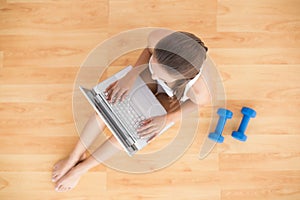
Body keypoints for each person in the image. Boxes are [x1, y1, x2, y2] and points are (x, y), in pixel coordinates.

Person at [51, 30, 211, 192]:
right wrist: (131, 75)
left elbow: (199, 104)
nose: (155, 76)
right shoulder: (157, 38)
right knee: (110, 104)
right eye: (153, 66)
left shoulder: (198, 91)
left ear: (183, 79)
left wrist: (168, 119)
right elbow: (148, 50)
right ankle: (75, 156)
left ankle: (81, 169)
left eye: (160, 75)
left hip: (173, 96)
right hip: (151, 78)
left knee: (133, 132)